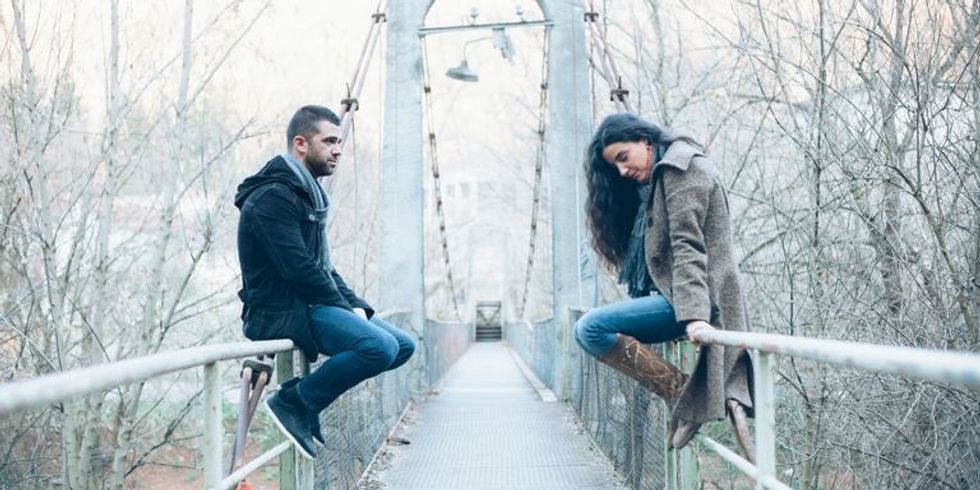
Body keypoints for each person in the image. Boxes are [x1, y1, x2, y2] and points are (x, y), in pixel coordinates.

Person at [234, 105, 415, 459]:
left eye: (340, 141)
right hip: (278, 310)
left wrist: (357, 306)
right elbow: (298, 268)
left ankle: (307, 401)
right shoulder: (273, 197)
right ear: (300, 144)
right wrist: (343, 307)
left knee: (402, 345)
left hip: (307, 303)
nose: (338, 149)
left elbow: (323, 267)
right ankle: (294, 402)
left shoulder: (308, 193)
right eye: (329, 141)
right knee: (378, 348)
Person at [573, 113, 755, 461]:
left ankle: (684, 395)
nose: (623, 172)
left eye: (623, 158)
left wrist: (694, 319)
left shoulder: (680, 169)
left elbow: (689, 247)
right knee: (585, 332)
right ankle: (685, 395)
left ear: (645, 140)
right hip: (683, 297)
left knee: (591, 328)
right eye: (616, 167)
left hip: (701, 300)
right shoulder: (663, 174)